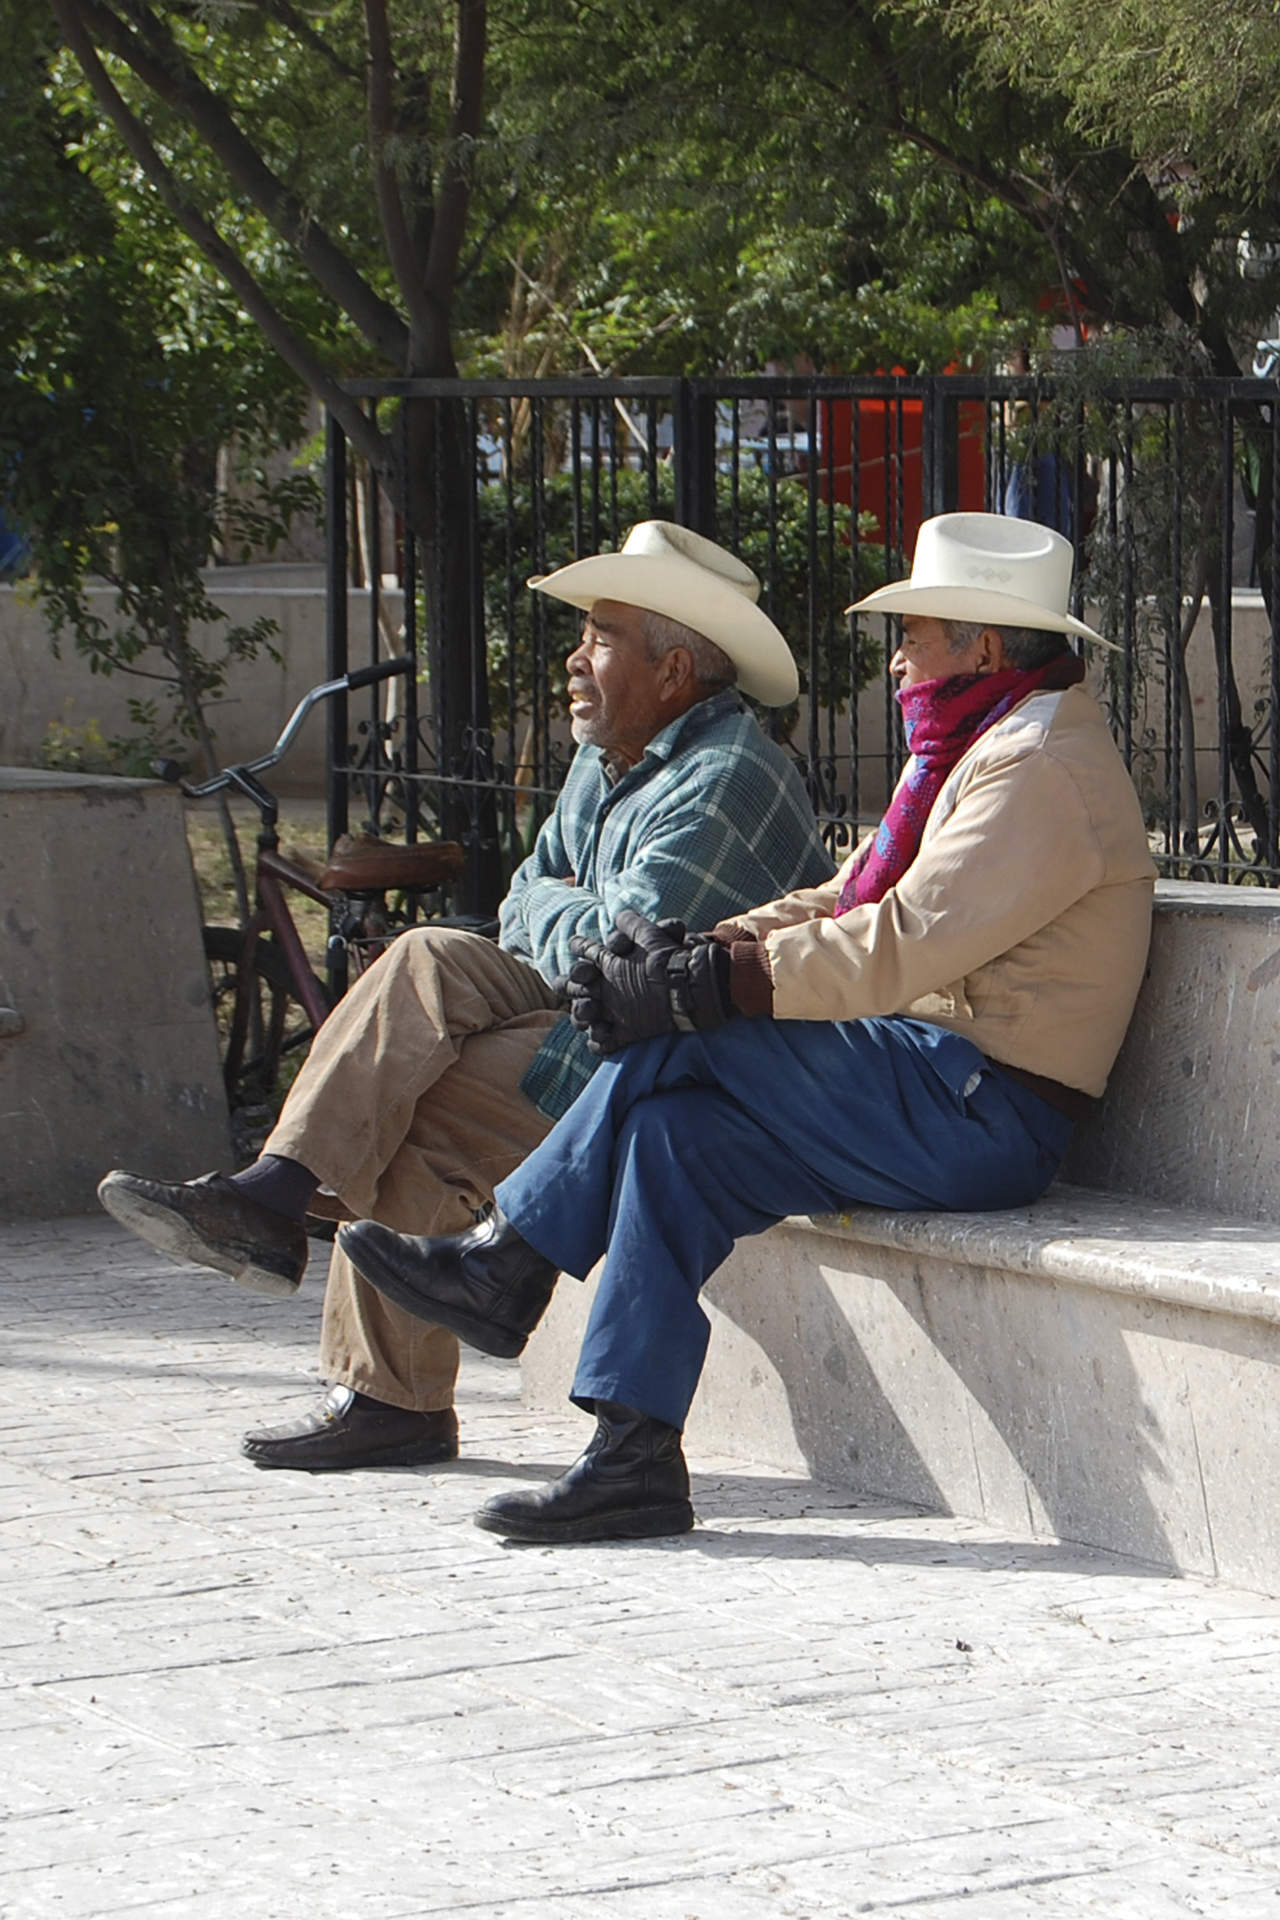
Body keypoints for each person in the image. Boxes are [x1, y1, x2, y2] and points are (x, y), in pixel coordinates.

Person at [336, 512, 1158, 1545]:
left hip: (980, 1110)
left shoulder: (1038, 766)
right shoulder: (977, 746)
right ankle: (630, 1453)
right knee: (669, 1139)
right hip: (919, 1088)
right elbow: (839, 899)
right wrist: (698, 947)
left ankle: (509, 1261)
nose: (896, 654)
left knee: (684, 1028)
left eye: (912, 630)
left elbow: (896, 941)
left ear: (982, 647)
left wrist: (709, 980)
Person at [98, 521, 835, 1470]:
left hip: (648, 1055)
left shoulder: (728, 774)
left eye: (601, 636)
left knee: (422, 1097)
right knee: (425, 954)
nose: (575, 658)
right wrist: (563, 905)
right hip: (583, 1011)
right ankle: (277, 1199)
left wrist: (558, 905)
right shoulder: (605, 758)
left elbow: (621, 954)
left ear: (675, 667)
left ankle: (383, 1390)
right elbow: (521, 892)